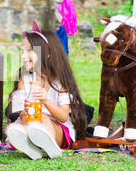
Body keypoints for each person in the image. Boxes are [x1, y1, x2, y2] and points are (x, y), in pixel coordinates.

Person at [6, 22, 87, 160]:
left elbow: (63, 116)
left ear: (48, 54)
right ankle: (33, 147)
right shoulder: (24, 79)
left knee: (42, 119)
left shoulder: (59, 82)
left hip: (57, 129)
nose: (24, 56)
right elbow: (21, 112)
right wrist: (25, 111)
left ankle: (46, 144)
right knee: (25, 123)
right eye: (22, 51)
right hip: (29, 123)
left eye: (30, 50)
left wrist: (46, 101)